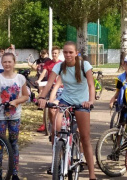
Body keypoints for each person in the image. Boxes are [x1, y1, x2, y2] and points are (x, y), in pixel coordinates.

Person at [38, 41, 97, 180]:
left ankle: (92, 174)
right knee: (57, 129)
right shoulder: (60, 66)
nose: (68, 55)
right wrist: (42, 97)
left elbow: (91, 85)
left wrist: (91, 101)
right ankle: (60, 157)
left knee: (85, 137)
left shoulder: (84, 65)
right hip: (65, 101)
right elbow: (49, 83)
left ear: (76, 53)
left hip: (82, 103)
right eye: (65, 52)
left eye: (71, 52)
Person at [35, 46, 62, 132]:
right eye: (53, 53)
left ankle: (61, 123)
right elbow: (44, 73)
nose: (54, 55)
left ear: (59, 54)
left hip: (60, 87)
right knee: (48, 106)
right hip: (50, 86)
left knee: (60, 107)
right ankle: (49, 123)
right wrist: (39, 80)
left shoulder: (62, 64)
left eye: (56, 53)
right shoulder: (48, 63)